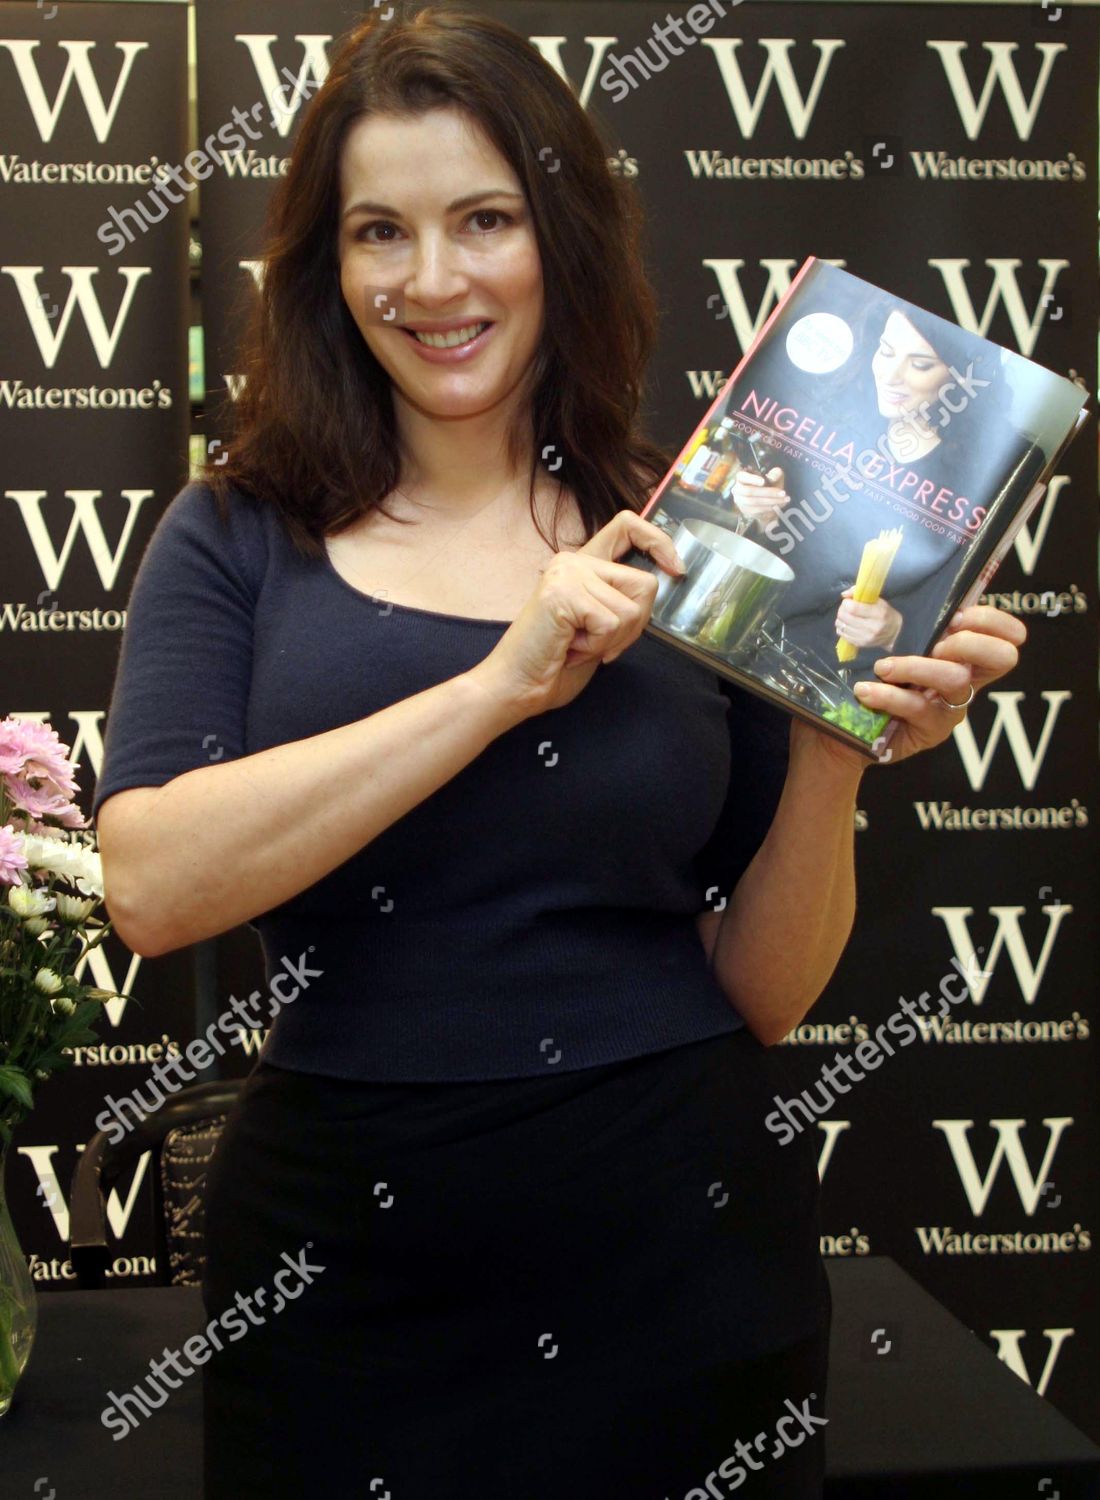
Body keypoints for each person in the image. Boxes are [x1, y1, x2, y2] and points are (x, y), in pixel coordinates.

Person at [90, 8, 1028, 1497]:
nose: (435, 279)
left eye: (486, 220)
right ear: (327, 271)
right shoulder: (235, 533)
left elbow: (765, 998)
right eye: (378, 232)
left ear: (562, 238)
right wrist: (497, 685)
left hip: (687, 1264)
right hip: (349, 1283)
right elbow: (148, 886)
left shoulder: (700, 534)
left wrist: (840, 743)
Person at [730, 293, 1047, 670]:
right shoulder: (834, 427)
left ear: (961, 380)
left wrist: (896, 630)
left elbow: (946, 604)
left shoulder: (983, 482)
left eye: (921, 364)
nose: (890, 375)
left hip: (840, 682)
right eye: (886, 351)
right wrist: (760, 512)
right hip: (748, 640)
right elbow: (784, 553)